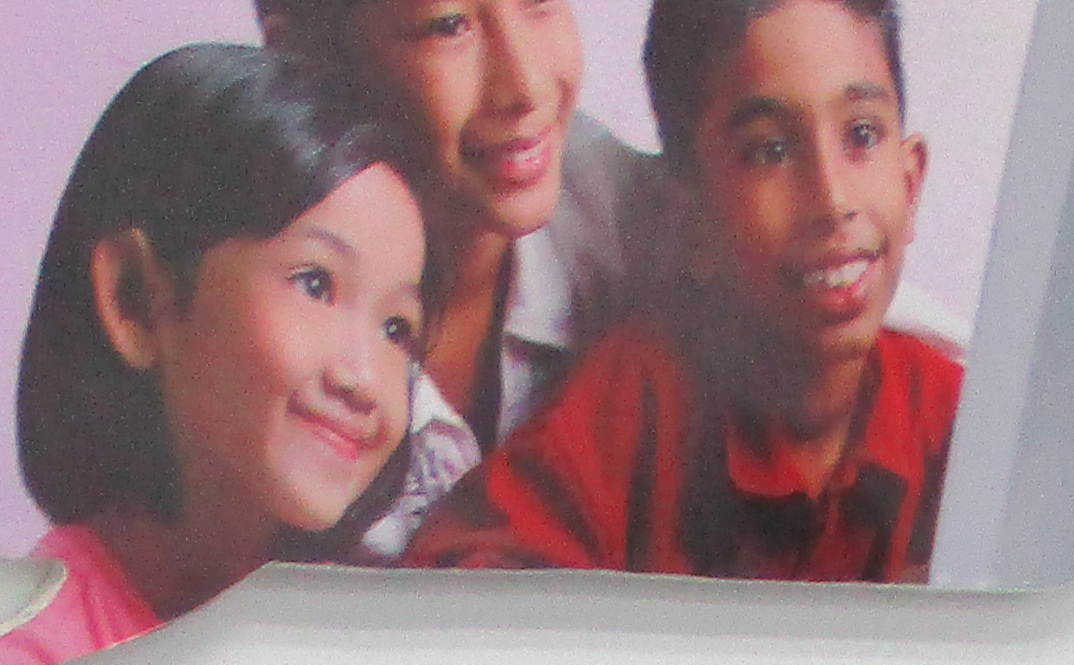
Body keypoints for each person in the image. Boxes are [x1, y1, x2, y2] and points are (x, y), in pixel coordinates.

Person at [410, 0, 957, 583]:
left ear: (911, 181)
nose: (833, 200)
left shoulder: (960, 423)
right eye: (770, 151)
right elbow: (459, 580)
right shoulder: (638, 404)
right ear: (688, 219)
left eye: (862, 135)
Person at [0, 47, 425, 665]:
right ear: (138, 300)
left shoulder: (374, 647)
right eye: (315, 284)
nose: (363, 380)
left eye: (397, 329)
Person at [252, 0, 666, 558]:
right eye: (449, 26)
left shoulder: (647, 234)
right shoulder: (239, 304)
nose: (525, 86)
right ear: (300, 56)